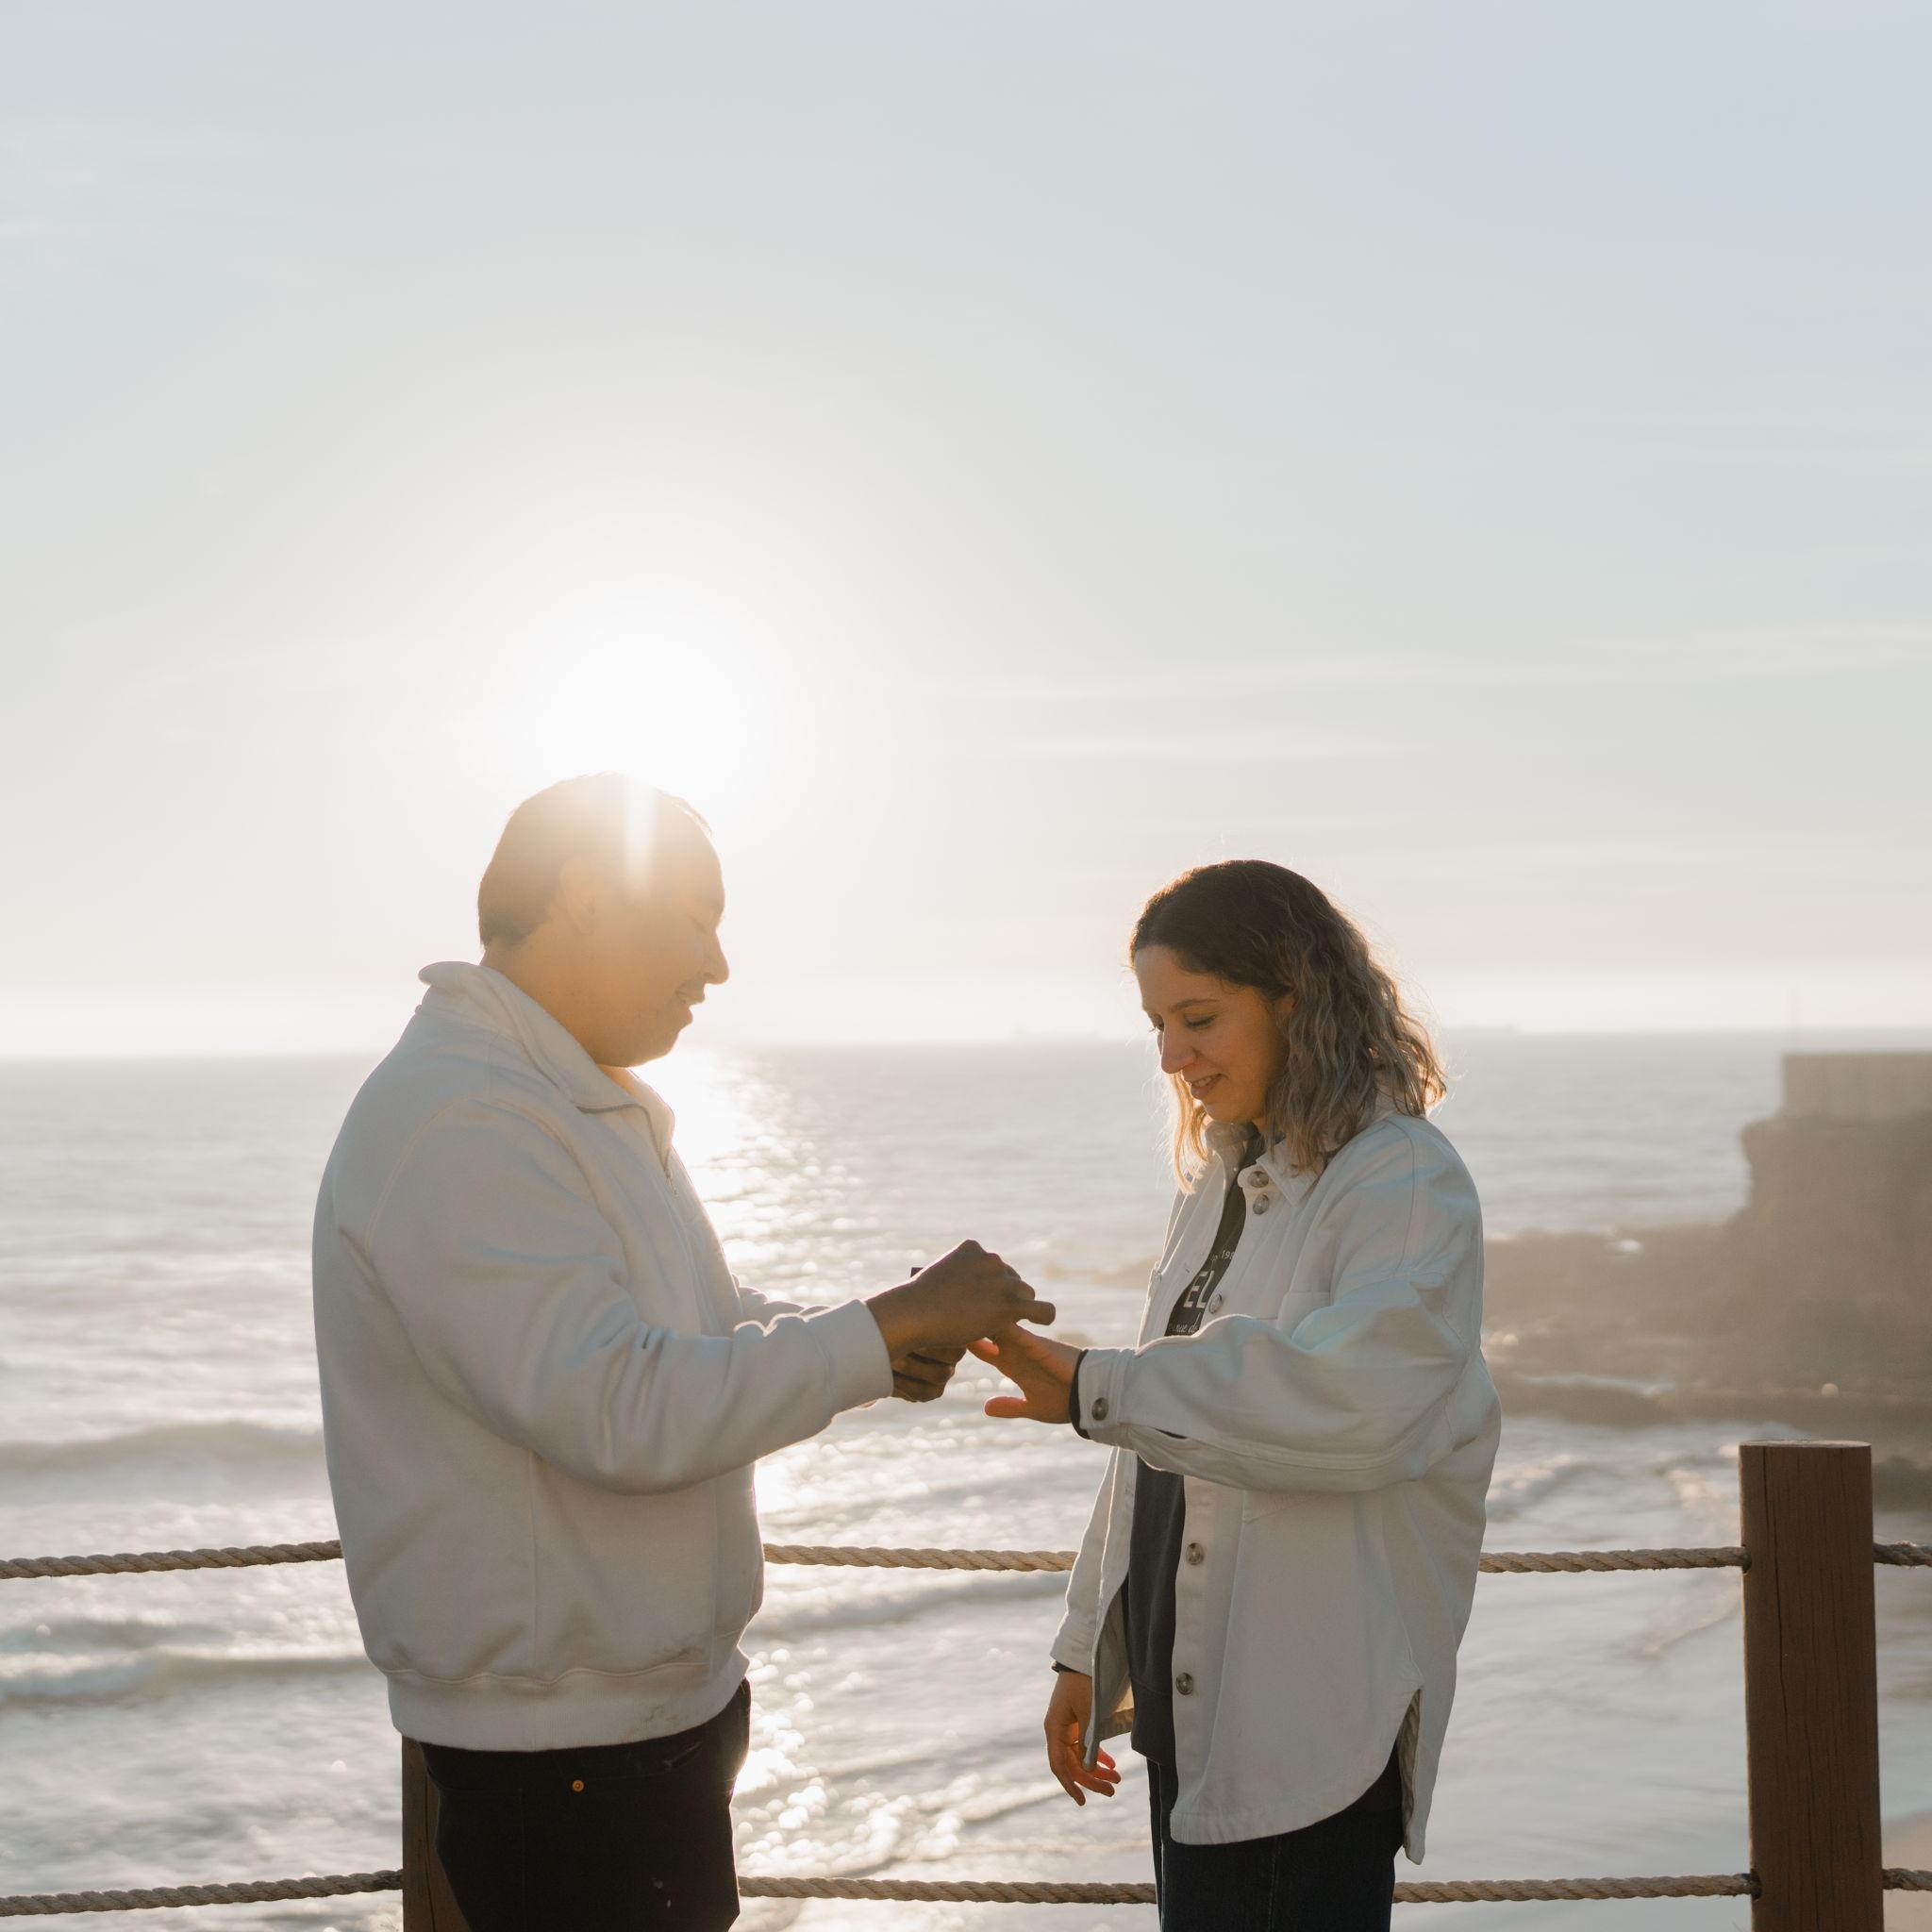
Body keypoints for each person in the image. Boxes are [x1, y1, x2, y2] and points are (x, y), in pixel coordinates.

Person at [311, 774, 1053, 1932]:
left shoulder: (565, 1095)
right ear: (586, 896)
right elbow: (618, 1404)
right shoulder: (467, 1115)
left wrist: (882, 1334)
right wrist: (873, 1330)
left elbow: (688, 1321)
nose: (716, 965)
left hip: (639, 1726)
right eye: (696, 917)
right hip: (566, 1756)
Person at [974, 859, 1501, 1932]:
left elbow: (1352, 1403)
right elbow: (1153, 1429)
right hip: (1190, 1701)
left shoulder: (1399, 1179)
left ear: (1294, 995)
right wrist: (1088, 1643)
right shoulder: (1220, 1182)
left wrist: (1092, 1383)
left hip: (1304, 1719)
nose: (1172, 1057)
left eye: (1197, 1017)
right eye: (1156, 1025)